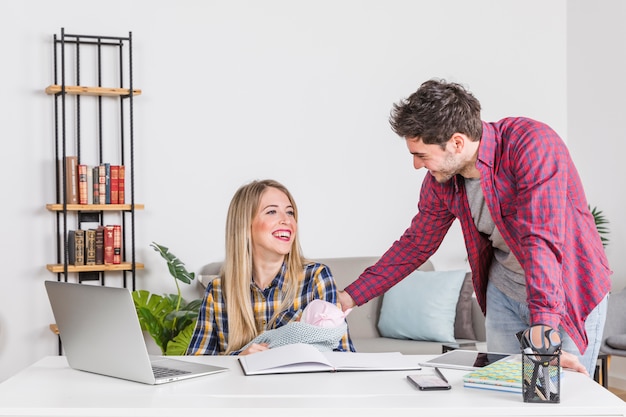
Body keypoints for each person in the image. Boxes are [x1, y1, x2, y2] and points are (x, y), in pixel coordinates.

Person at [338, 79, 611, 377]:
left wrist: (543, 333)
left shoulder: (532, 144)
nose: (417, 165)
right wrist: (348, 297)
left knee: (551, 395)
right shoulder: (441, 182)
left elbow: (540, 241)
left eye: (421, 154)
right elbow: (416, 244)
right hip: (505, 292)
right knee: (503, 394)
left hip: (565, 292)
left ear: (456, 142)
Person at [187, 179, 355, 355]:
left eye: (290, 213)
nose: (286, 220)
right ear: (245, 224)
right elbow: (198, 362)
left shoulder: (316, 277)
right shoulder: (218, 291)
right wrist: (238, 359)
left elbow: (342, 356)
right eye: (272, 212)